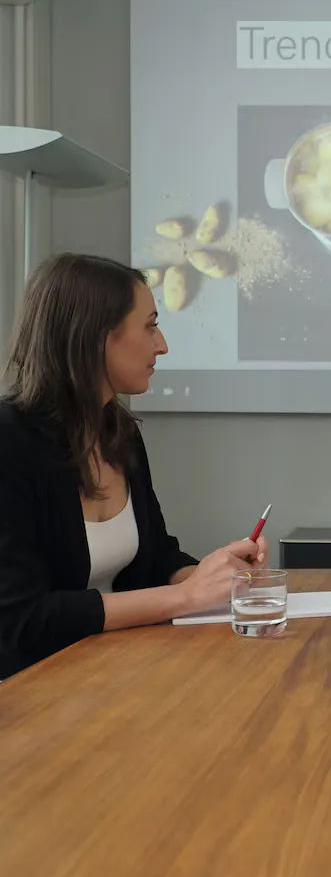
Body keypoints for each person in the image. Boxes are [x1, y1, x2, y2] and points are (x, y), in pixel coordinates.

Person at [0, 253, 268, 678]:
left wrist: (215, 573)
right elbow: (22, 618)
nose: (162, 344)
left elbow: (153, 556)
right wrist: (186, 598)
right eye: (149, 325)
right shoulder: (9, 439)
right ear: (96, 336)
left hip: (121, 670)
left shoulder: (118, 431)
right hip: (34, 691)